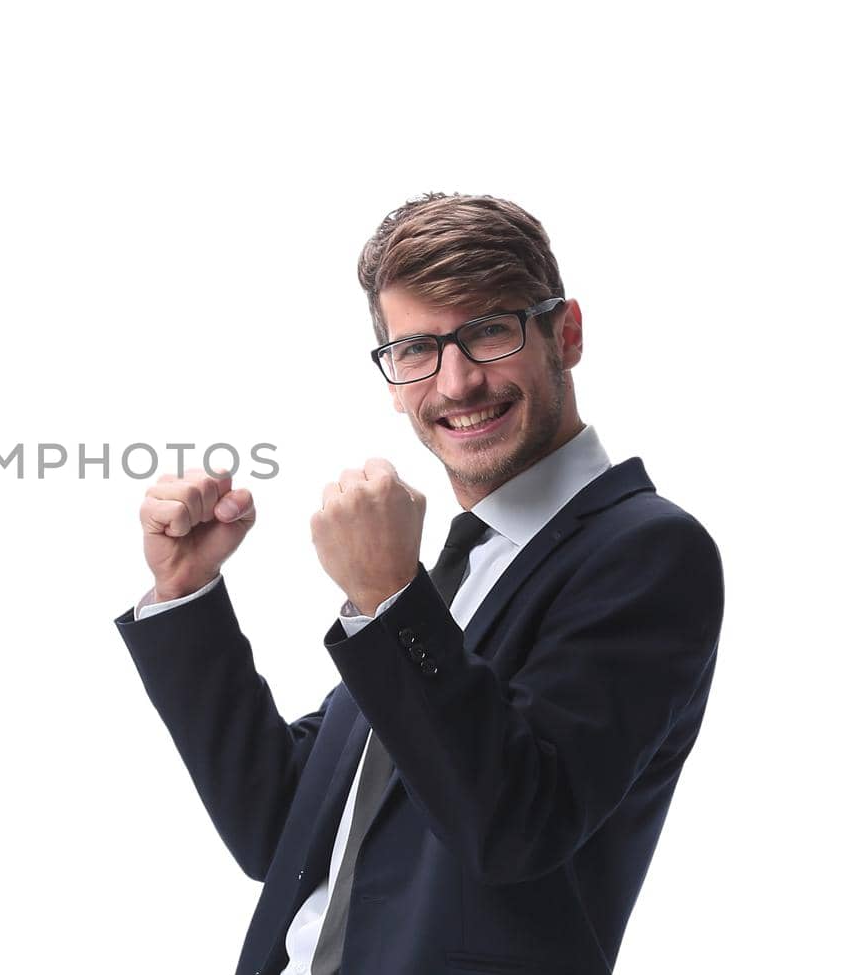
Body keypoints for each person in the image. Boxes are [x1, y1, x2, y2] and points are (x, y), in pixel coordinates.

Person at [117, 194, 721, 975]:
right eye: (417, 349)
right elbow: (278, 827)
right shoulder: (457, 569)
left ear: (564, 335)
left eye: (490, 332)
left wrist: (391, 599)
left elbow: (514, 826)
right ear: (393, 375)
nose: (457, 382)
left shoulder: (647, 552)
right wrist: (185, 595)